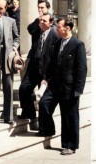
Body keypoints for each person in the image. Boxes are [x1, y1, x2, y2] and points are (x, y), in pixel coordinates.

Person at [36, 18, 87, 155]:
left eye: (59, 27)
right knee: (44, 104)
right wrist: (45, 79)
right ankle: (48, 130)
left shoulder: (78, 45)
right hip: (54, 85)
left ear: (67, 28)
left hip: (69, 88)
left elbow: (81, 69)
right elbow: (52, 64)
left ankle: (70, 145)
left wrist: (78, 90)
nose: (56, 29)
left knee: (69, 117)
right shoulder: (57, 43)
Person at [19, 13, 59, 122]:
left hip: (46, 72)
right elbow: (29, 28)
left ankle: (44, 123)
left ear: (51, 23)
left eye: (44, 21)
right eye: (40, 20)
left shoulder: (55, 35)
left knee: (44, 99)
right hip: (34, 69)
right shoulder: (37, 33)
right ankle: (29, 113)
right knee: (24, 88)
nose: (41, 23)